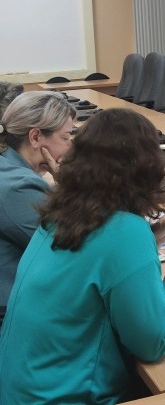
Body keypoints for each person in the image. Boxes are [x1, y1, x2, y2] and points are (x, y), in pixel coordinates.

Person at [0, 108, 165, 403]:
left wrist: (151, 236)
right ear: (147, 168)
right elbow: (152, 343)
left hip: (19, 389)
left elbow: (91, 257)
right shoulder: (125, 230)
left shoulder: (62, 209)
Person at [0, 91, 76, 318]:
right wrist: (71, 187)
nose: (70, 147)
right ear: (35, 137)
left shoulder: (8, 168)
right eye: (65, 138)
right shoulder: (19, 187)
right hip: (13, 313)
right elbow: (73, 250)